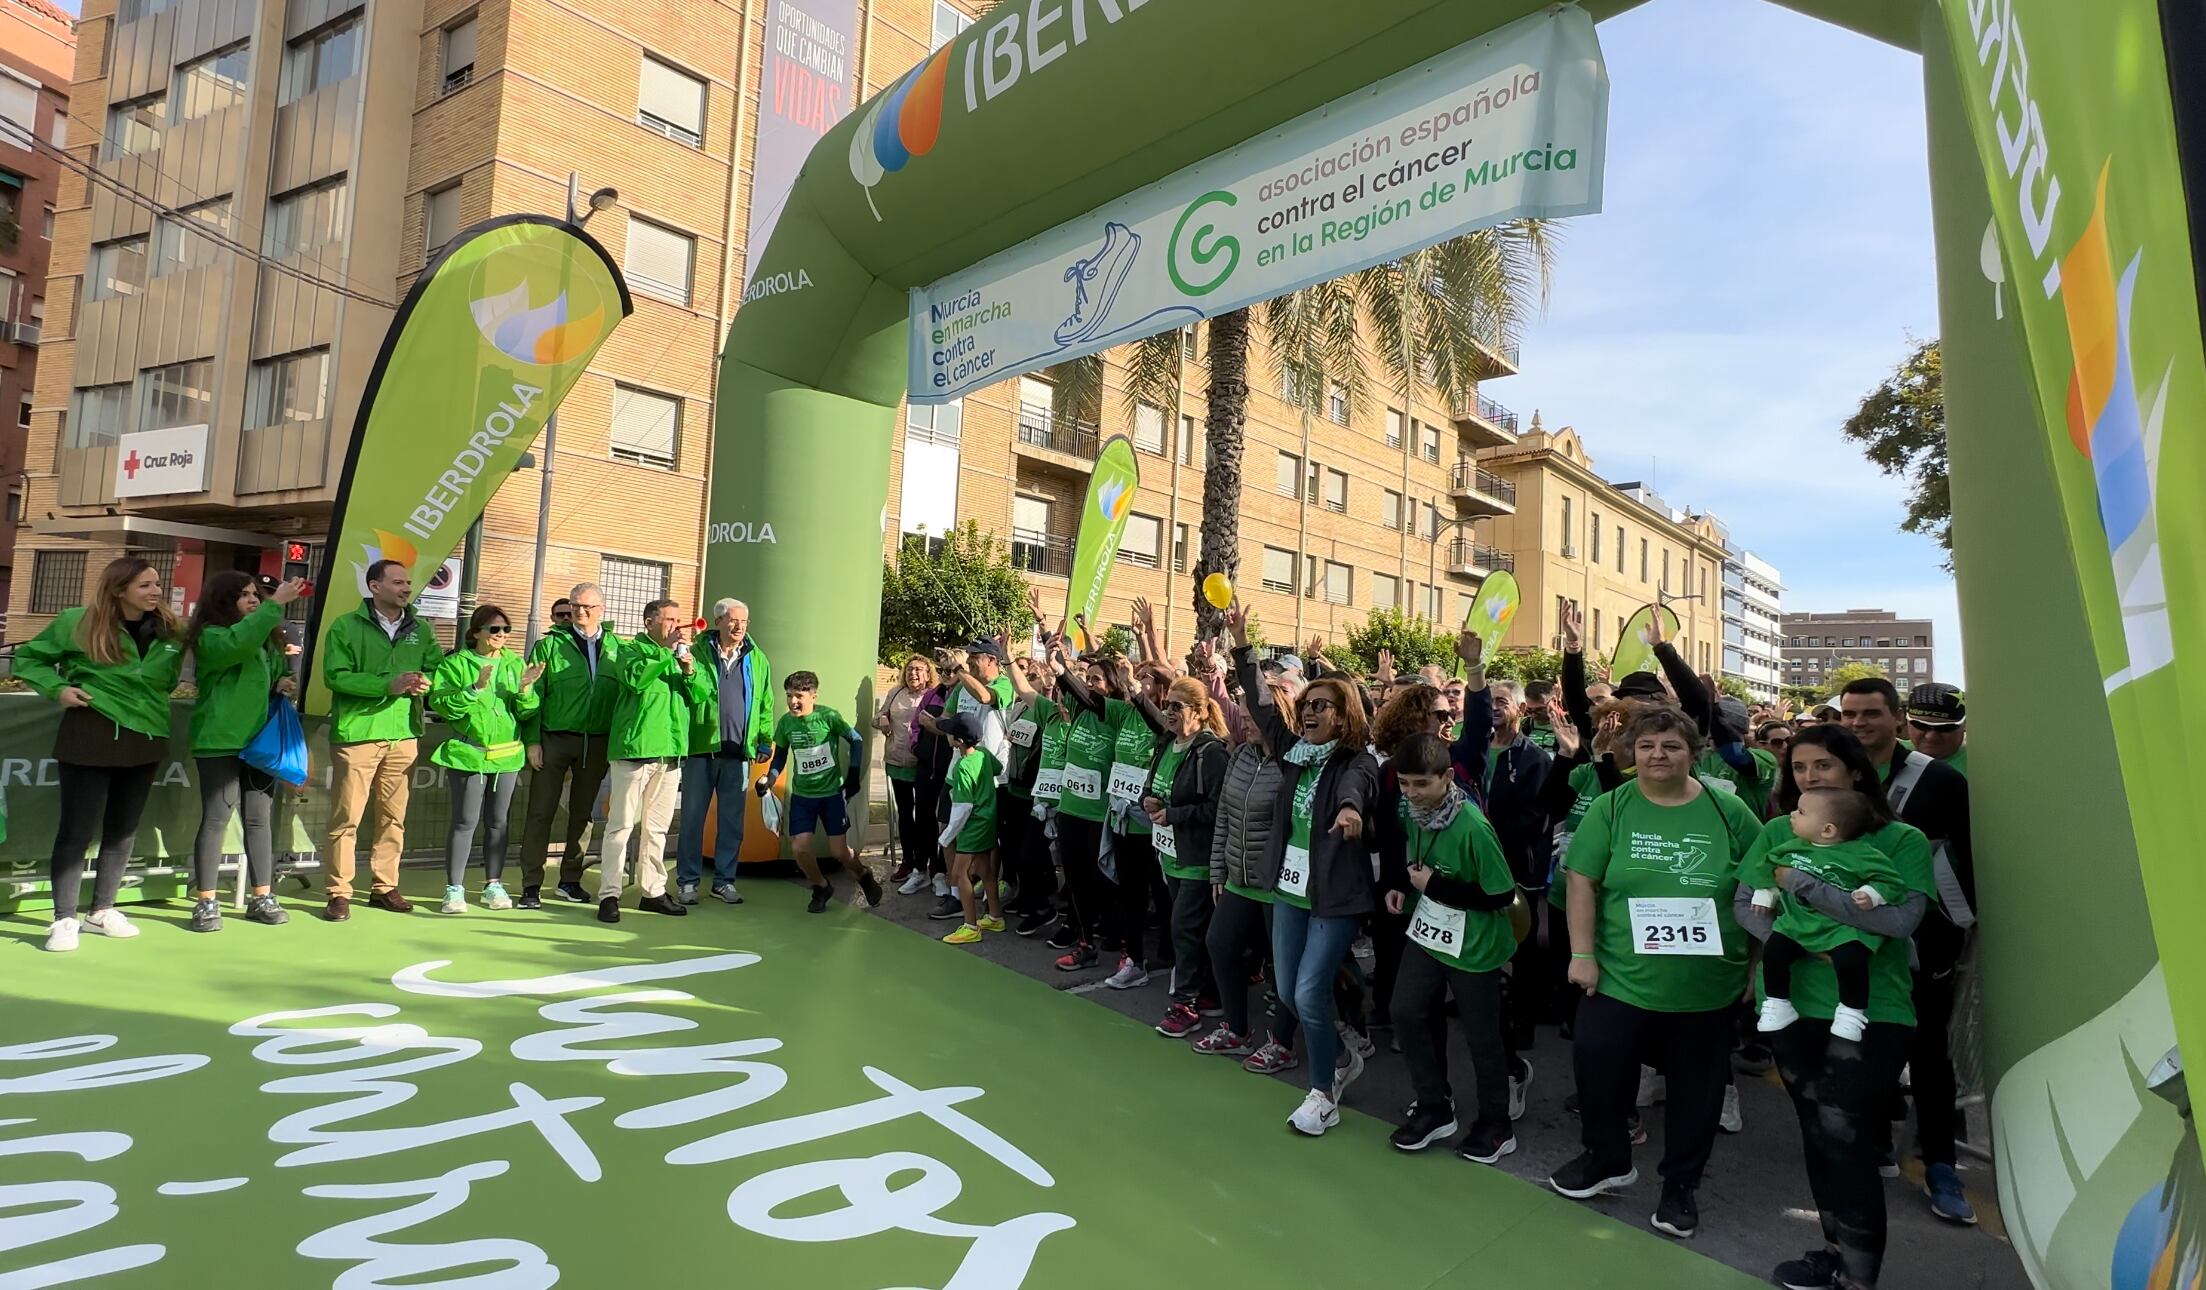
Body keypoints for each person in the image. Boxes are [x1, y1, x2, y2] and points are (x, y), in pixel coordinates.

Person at [1734, 724, 1937, 1287]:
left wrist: (1804, 889)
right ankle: (1834, 1250)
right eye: (1799, 768)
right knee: (1818, 1136)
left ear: (1854, 771)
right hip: (1794, 1007)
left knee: (1845, 1138)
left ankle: (1859, 1276)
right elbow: (1746, 904)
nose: (1808, 776)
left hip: (1873, 1012)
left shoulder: (1901, 842)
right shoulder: (1781, 829)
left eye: (1821, 765)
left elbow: (1899, 920)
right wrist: (1794, 938)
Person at [1552, 706, 1763, 1241]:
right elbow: (1581, 882)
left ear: (1695, 753)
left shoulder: (1730, 811)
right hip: (1621, 974)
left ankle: (1680, 1188)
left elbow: (1763, 888)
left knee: (1697, 1089)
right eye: (1646, 746)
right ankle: (1606, 1158)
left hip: (1706, 984)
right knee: (1597, 1060)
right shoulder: (1611, 806)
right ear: (1632, 752)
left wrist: (1755, 969)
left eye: (1671, 746)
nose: (1657, 755)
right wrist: (1582, 954)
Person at [1228, 603, 1380, 1138]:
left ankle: (1322, 1094)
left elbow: (1355, 791)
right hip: (1288, 890)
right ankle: (1340, 1055)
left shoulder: (1355, 761)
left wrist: (1350, 812)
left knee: (1311, 991)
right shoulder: (1296, 753)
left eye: (1323, 706)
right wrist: (1244, 649)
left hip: (1334, 895)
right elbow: (1264, 708)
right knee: (1290, 993)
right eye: (1308, 704)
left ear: (1344, 716)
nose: (1311, 712)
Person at [1838, 675, 1977, 1224]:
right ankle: (1873, 1137)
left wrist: (1964, 924)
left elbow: (1972, 854)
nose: (1857, 724)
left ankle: (1940, 1162)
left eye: (1870, 714)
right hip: (1847, 932)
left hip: (1924, 935)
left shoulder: (1939, 779)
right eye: (1849, 714)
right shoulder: (1831, 770)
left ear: (1896, 718)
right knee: (1857, 1036)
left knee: (1927, 1050)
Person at [18, 557, 185, 951]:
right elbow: (28, 659)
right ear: (118, 589)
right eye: (145, 585)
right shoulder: (77, 621)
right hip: (90, 731)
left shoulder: (170, 629)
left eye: (157, 583)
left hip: (146, 735)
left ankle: (102, 910)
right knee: (77, 831)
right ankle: (63, 918)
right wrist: (57, 688)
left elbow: (169, 680)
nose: (155, 591)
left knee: (123, 830)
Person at [1381, 733, 1522, 1163]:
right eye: (1404, 783)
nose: (1410, 793)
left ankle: (1496, 1123)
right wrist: (1404, 886)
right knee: (1404, 1010)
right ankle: (1433, 1105)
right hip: (1429, 930)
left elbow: (1500, 895)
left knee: (1482, 1036)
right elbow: (1416, 859)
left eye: (1421, 784)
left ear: (1446, 777)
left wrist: (1434, 886)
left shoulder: (1474, 826)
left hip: (1475, 944)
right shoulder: (1411, 810)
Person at [320, 559, 444, 921]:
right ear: (375, 586)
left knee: (394, 816)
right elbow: (336, 675)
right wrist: (384, 686)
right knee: (347, 817)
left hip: (403, 734)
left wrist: (428, 683)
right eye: (398, 582)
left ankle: (384, 887)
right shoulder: (345, 626)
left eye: (408, 582)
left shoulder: (421, 628)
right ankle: (339, 891)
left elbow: (436, 668)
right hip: (358, 734)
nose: (407, 588)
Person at [183, 571, 306, 932]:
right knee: (216, 818)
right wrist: (274, 605)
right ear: (223, 601)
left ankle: (262, 896)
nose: (254, 599)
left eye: (256, 594)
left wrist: (281, 682)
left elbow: (269, 669)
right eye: (244, 595)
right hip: (220, 738)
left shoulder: (265, 635)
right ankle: (206, 902)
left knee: (258, 818)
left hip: (259, 740)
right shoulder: (211, 635)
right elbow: (236, 645)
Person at [1742, 788, 1907, 1041]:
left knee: (1851, 960)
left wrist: (1872, 894)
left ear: (1827, 829)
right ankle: (1777, 1003)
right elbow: (1767, 866)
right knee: (1775, 950)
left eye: (1801, 812)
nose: (1792, 816)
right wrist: (1765, 894)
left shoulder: (1863, 855)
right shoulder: (1791, 848)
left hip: (1840, 928)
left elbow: (1891, 882)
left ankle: (1851, 1012)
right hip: (1797, 924)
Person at [1196, 675, 1301, 1071]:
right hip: (1239, 880)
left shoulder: (1292, 762)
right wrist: (1218, 869)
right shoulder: (1239, 757)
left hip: (1277, 884)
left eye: (1253, 716)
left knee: (1283, 969)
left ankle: (1283, 1044)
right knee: (1219, 944)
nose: (1245, 722)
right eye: (1242, 716)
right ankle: (1237, 1030)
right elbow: (1224, 813)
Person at [427, 604, 544, 914]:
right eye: (494, 629)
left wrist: (525, 689)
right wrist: (474, 688)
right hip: (469, 755)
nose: (501, 635)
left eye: (506, 630)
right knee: (465, 821)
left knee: (499, 822)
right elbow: (443, 705)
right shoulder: (455, 664)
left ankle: (493, 884)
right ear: (476, 632)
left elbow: (528, 712)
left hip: (506, 756)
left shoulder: (515, 663)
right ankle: (454, 889)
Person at [519, 583, 622, 908]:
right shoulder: (548, 646)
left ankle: (569, 880)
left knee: (583, 815)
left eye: (588, 607)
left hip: (597, 742)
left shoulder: (617, 647)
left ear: (601, 610)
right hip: (554, 738)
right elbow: (533, 696)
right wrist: (533, 740)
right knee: (540, 812)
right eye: (576, 606)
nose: (580, 611)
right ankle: (531, 885)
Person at [596, 598, 698, 923]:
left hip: (669, 753)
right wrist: (665, 652)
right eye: (669, 619)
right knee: (621, 826)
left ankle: (653, 891)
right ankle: (609, 895)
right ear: (649, 622)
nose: (675, 626)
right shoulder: (628, 650)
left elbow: (701, 697)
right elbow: (635, 680)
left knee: (657, 829)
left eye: (677, 620)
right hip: (635, 752)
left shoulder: (677, 655)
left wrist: (690, 671)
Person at [1146, 675, 1230, 1037]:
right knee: (1189, 929)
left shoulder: (1211, 753)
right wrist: (1148, 800)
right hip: (1170, 854)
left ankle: (1185, 1003)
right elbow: (1154, 785)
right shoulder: (1168, 743)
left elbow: (1217, 808)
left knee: (1185, 930)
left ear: (1198, 712)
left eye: (1176, 707)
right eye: (1167, 705)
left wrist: (1175, 815)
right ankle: (1209, 991)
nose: (1168, 712)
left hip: (1197, 858)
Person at [678, 598, 773, 905]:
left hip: (738, 753)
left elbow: (765, 703)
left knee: (732, 822)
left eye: (744, 622)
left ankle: (724, 881)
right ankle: (688, 882)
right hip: (701, 749)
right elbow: (688, 693)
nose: (739, 627)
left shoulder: (758, 658)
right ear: (718, 621)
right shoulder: (697, 652)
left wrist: (764, 739)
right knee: (692, 819)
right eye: (733, 621)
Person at [1043, 640, 1131, 970]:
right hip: (1071, 810)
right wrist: (1052, 651)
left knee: (1107, 881)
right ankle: (1085, 942)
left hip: (1100, 814)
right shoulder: (1078, 714)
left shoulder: (1118, 713)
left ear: (1112, 685)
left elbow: (1084, 695)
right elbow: (1077, 696)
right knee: (1076, 881)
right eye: (1088, 678)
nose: (1090, 684)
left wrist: (1061, 667)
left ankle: (1125, 944)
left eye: (1097, 679)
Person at [759, 669, 878, 913]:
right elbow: (780, 758)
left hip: (831, 795)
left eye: (799, 696)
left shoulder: (828, 717)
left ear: (813, 696)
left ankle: (862, 874)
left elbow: (855, 740)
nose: (793, 701)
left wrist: (853, 775)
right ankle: (820, 886)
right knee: (800, 848)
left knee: (839, 852)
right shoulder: (786, 723)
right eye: (789, 695)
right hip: (803, 797)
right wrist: (769, 779)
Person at [936, 710, 1004, 943]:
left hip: (972, 826)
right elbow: (998, 769)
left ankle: (970, 926)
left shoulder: (962, 767)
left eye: (950, 733)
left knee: (958, 873)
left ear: (959, 741)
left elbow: (963, 807)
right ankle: (995, 916)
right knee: (985, 870)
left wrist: (947, 835)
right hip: (988, 822)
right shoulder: (983, 754)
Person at [877, 655, 936, 887]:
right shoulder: (895, 692)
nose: (914, 674)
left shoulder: (933, 694)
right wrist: (881, 719)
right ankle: (908, 861)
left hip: (920, 764)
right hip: (895, 761)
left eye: (920, 669)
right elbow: (879, 716)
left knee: (924, 815)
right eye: (910, 669)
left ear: (928, 673)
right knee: (904, 813)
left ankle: (929, 863)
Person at [1906, 683, 1968, 777]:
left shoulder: (1983, 764)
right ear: (1906, 721)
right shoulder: (1888, 755)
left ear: (1965, 725)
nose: (1930, 737)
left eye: (1945, 728)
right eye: (1920, 725)